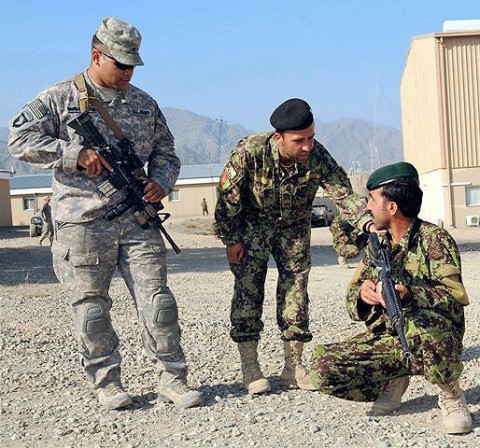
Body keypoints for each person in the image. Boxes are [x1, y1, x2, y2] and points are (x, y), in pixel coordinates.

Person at [8, 17, 203, 411]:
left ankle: (172, 378)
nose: (128, 72)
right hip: (83, 221)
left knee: (159, 303)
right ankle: (107, 381)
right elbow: (18, 139)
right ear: (97, 56)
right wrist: (73, 154)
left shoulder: (144, 103)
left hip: (137, 218)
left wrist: (160, 183)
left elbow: (167, 153)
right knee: (93, 308)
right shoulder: (59, 98)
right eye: (121, 64)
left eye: (133, 65)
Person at [214, 98, 373, 395]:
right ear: (279, 138)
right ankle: (251, 367)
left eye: (311, 137)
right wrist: (231, 239)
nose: (307, 146)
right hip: (252, 228)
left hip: (294, 229)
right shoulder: (252, 151)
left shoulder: (316, 156)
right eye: (299, 141)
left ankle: (293, 367)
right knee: (248, 292)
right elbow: (228, 197)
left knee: (296, 294)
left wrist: (367, 221)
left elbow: (341, 193)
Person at [310, 162, 472, 434]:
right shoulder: (378, 245)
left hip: (434, 335)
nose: (368, 207)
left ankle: (451, 393)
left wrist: (411, 294)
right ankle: (395, 378)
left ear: (392, 207)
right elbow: (352, 299)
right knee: (322, 367)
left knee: (425, 328)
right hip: (392, 336)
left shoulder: (435, 239)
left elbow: (454, 298)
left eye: (373, 199)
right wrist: (364, 295)